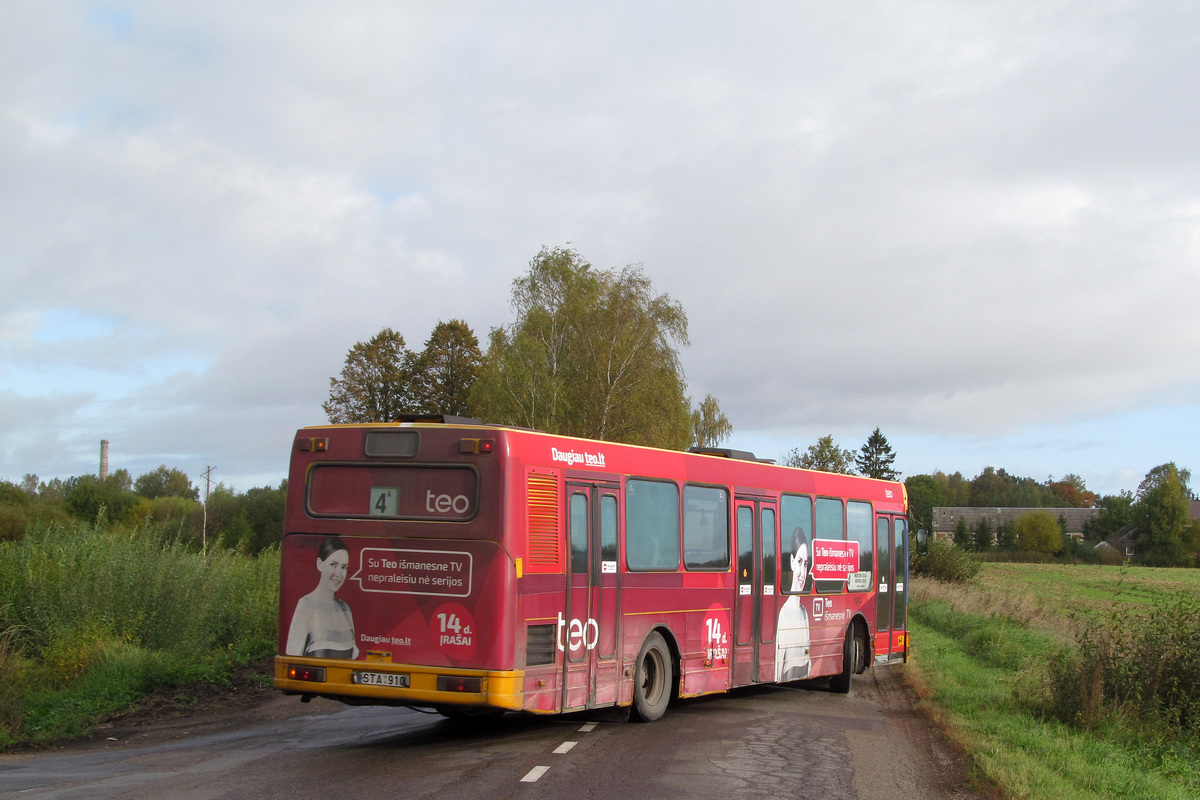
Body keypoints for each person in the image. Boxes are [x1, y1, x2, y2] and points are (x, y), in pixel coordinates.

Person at [286, 535, 360, 659]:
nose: (339, 574)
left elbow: (353, 655)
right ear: (320, 564)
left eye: (344, 567)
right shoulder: (305, 605)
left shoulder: (345, 608)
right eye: (333, 565)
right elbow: (293, 656)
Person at [774, 526, 811, 681]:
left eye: (806, 564)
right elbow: (777, 671)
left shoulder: (804, 614)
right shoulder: (783, 615)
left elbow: (809, 663)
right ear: (791, 562)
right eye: (799, 562)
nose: (803, 572)